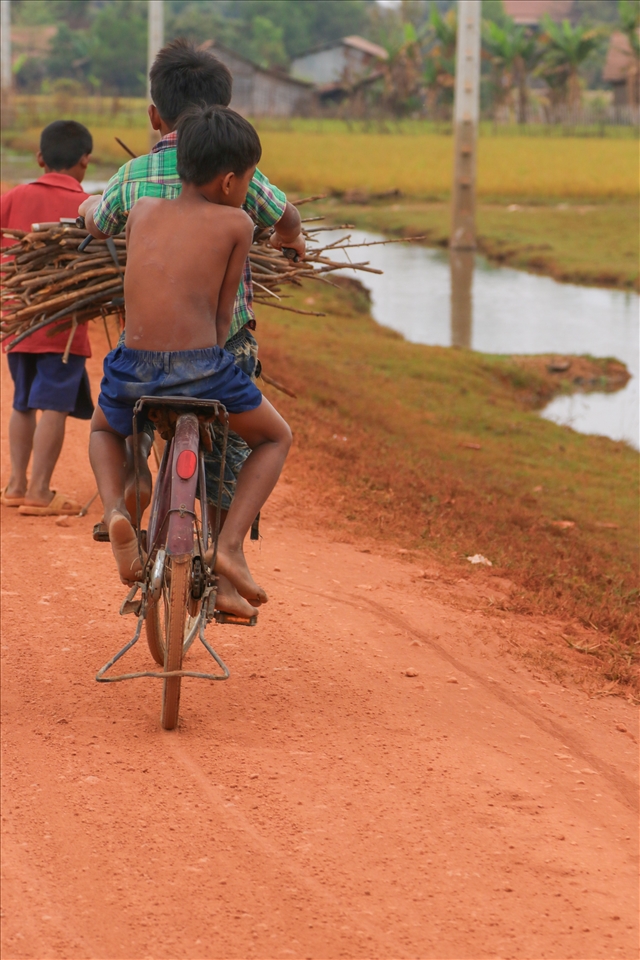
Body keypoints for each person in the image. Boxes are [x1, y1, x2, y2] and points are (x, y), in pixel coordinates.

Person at [78, 38, 304, 618]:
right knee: (264, 439)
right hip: (207, 361)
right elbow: (224, 315)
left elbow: (101, 223)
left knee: (107, 428)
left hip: (135, 361)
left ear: (160, 122)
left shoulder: (139, 195)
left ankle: (116, 507)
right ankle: (227, 553)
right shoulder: (237, 216)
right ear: (232, 178)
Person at [1, 121, 94, 516]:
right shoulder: (89, 206)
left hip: (19, 319)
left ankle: (15, 485)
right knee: (53, 404)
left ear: (40, 158)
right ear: (85, 162)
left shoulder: (12, 198)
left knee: (22, 403)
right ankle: (40, 490)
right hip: (63, 325)